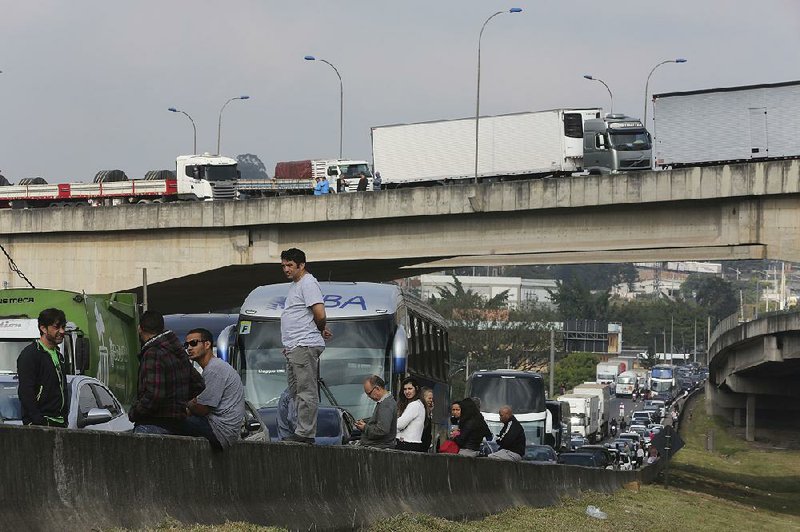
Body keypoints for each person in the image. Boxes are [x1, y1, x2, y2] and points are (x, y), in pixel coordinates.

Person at [280, 248, 332, 444]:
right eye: (284, 265)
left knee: (306, 390)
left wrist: (318, 330)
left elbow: (319, 313)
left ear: (301, 265)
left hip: (304, 344)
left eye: (290, 265)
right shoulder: (296, 285)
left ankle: (306, 433)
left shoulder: (308, 283)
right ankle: (300, 429)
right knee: (295, 391)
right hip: (295, 345)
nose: (286, 269)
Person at [129, 310, 204, 434]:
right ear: (162, 328)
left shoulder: (152, 353)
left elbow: (154, 395)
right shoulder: (178, 352)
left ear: (140, 329)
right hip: (179, 426)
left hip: (154, 425)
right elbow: (198, 384)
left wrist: (134, 412)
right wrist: (179, 401)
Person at [181, 328, 246, 449]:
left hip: (220, 431)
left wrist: (189, 404)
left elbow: (202, 409)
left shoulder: (214, 369)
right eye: (186, 344)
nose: (189, 348)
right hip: (221, 429)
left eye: (194, 343)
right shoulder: (213, 367)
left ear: (207, 344)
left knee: (170, 421)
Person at [16, 308, 69, 427]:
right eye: (56, 327)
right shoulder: (30, 354)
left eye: (63, 327)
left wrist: (65, 417)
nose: (61, 331)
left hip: (60, 423)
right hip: (40, 425)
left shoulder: (58, 355)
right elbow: (25, 391)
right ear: (43, 328)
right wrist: (37, 420)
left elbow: (62, 388)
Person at [354, 375, 397, 448]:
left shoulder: (386, 405)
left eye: (369, 393)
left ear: (377, 388)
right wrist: (366, 421)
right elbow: (379, 420)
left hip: (379, 448)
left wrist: (364, 427)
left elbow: (382, 430)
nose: (368, 397)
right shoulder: (385, 402)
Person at [396, 377, 426, 452]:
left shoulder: (414, 405)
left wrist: (393, 422)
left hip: (407, 444)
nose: (407, 391)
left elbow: (400, 424)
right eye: (405, 389)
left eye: (410, 388)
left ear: (416, 388)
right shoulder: (420, 404)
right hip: (413, 444)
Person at [420, 387, 434, 452]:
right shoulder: (420, 411)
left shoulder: (428, 411)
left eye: (432, 398)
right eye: (429, 398)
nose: (431, 400)